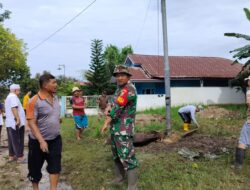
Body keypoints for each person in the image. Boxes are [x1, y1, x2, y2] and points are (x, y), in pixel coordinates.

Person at [101, 65, 138, 190]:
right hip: (115, 128)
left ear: (128, 77)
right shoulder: (119, 89)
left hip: (124, 129)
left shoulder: (128, 89)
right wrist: (108, 111)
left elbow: (116, 109)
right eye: (117, 75)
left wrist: (106, 122)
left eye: (122, 75)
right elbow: (112, 105)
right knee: (117, 155)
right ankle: (119, 179)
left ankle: (133, 186)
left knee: (127, 157)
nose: (119, 77)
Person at [26, 74, 62, 190]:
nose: (56, 85)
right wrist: (41, 141)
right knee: (35, 169)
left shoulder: (55, 97)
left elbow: (53, 113)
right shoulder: (33, 101)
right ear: (45, 85)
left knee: (55, 167)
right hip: (37, 142)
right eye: (54, 82)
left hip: (55, 140)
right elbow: (31, 122)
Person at [4, 84, 26, 163]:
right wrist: (18, 119)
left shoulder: (8, 97)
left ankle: (11, 156)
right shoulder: (13, 97)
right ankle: (20, 157)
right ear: (15, 90)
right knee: (18, 139)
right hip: (15, 122)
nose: (19, 92)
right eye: (19, 90)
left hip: (10, 122)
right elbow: (14, 108)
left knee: (11, 140)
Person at [232, 76, 250, 169]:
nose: (247, 83)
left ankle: (238, 166)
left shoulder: (249, 92)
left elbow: (248, 104)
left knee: (242, 141)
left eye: (248, 81)